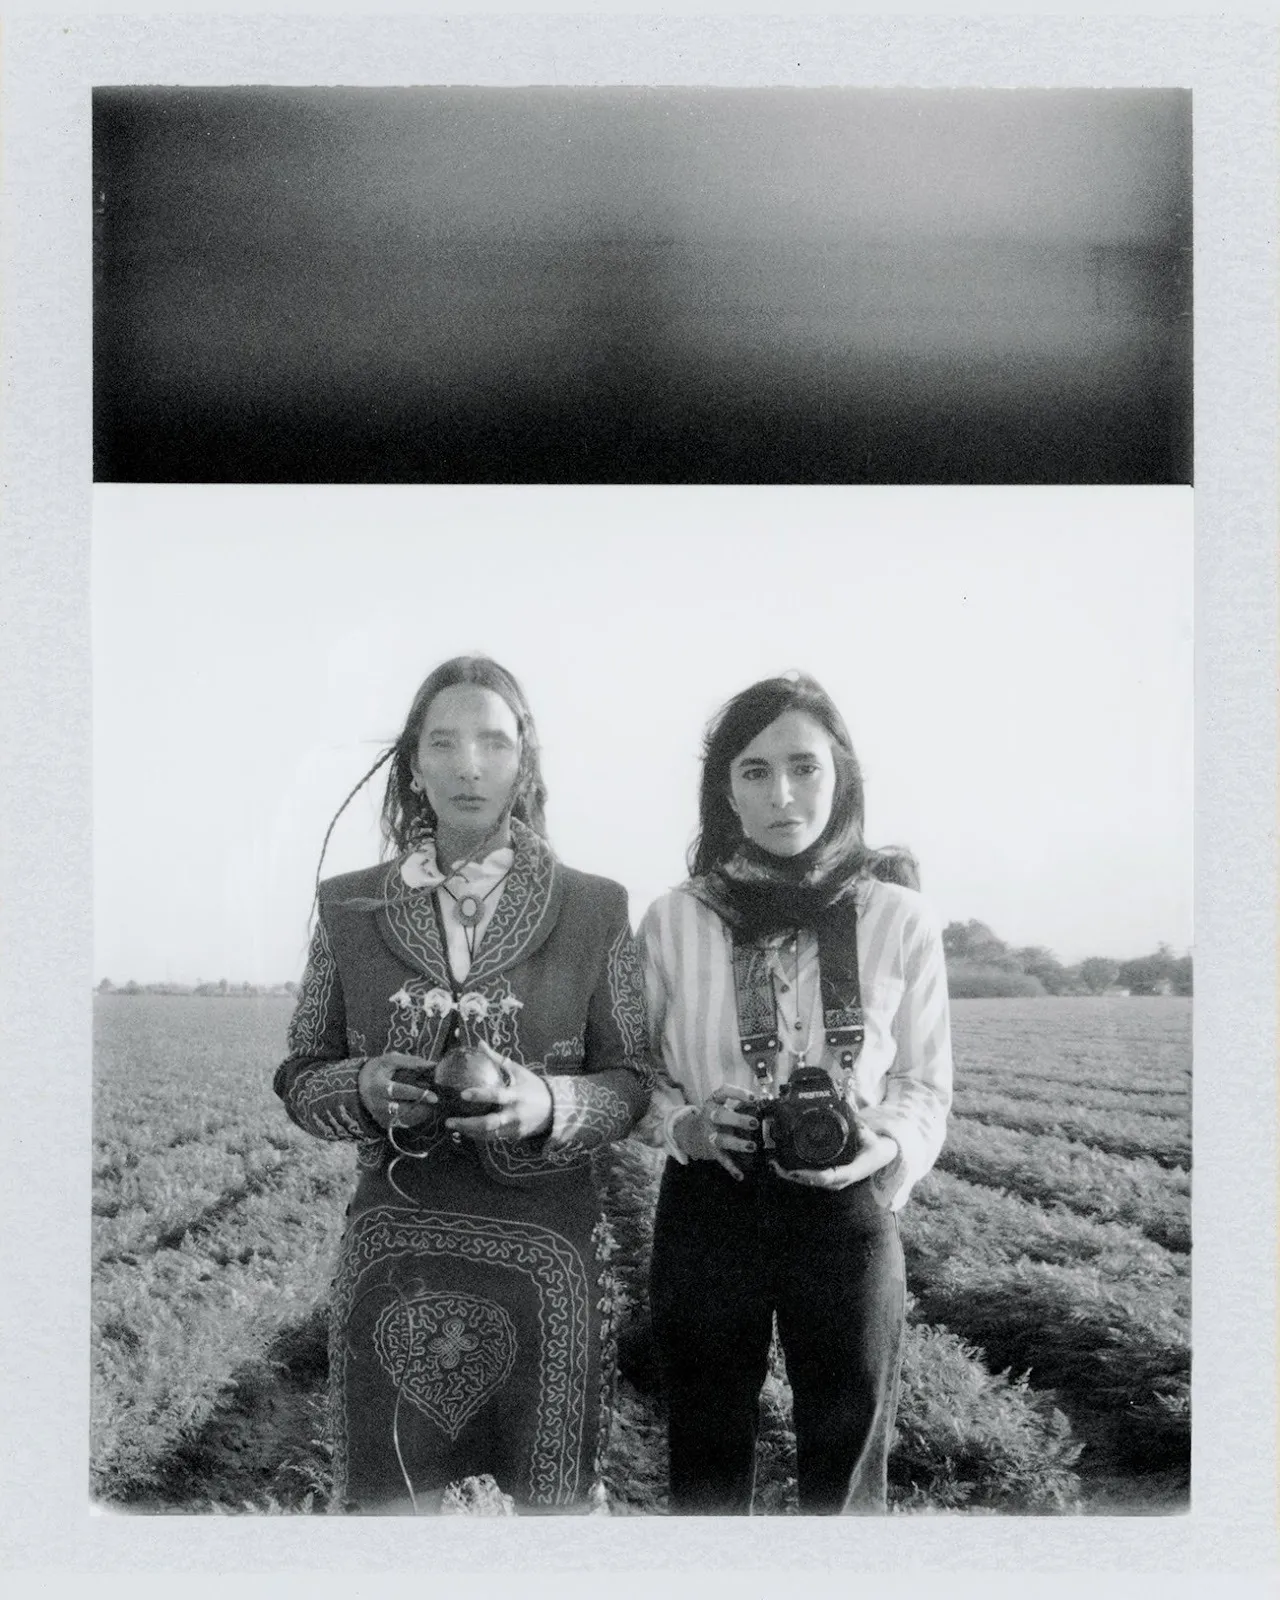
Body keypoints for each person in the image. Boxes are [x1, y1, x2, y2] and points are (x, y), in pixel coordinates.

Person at [275, 656, 652, 1514]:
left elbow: (632, 1079)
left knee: (550, 1517)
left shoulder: (595, 907)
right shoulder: (348, 907)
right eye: (442, 743)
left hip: (547, 1257)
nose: (469, 765)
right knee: (388, 1516)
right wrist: (362, 1084)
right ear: (413, 763)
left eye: (493, 741)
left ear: (526, 760)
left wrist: (548, 1103)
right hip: (396, 1251)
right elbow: (299, 1071)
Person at [638, 672, 952, 1515]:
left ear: (842, 774)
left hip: (847, 1211)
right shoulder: (674, 919)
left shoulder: (901, 918)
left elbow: (925, 1082)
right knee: (705, 1453)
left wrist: (883, 1143)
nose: (782, 794)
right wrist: (690, 1124)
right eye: (753, 771)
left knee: (847, 1469)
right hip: (712, 1200)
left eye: (805, 766)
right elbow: (634, 1075)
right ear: (724, 791)